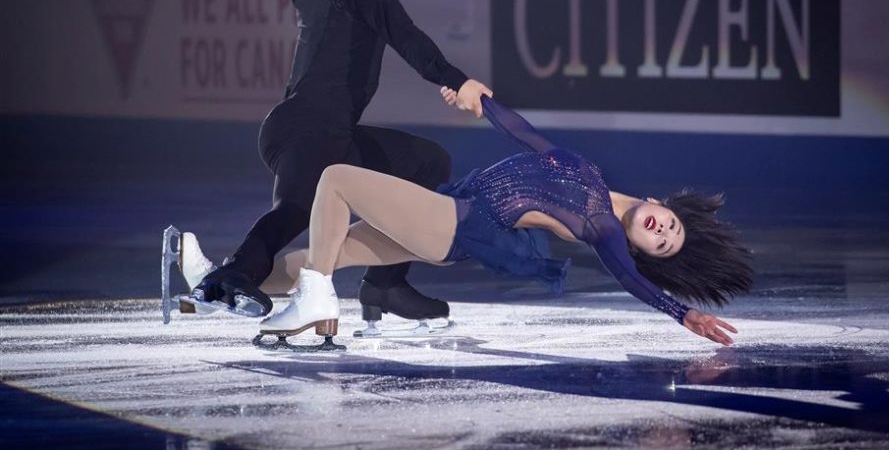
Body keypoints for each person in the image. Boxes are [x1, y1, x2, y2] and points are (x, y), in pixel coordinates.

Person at [190, 0, 493, 323]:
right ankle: (228, 278)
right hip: (308, 127)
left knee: (425, 163)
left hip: (325, 131)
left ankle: (384, 286)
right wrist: (458, 80)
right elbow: (408, 40)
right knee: (294, 209)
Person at [256, 93, 754, 348]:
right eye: (672, 226)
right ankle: (218, 286)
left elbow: (628, 280)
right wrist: (481, 100)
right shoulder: (592, 175)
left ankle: (314, 305)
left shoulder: (602, 228)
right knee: (317, 257)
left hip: (451, 222)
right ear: (660, 203)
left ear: (646, 254)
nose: (663, 233)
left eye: (663, 246)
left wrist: (680, 313)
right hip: (450, 217)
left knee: (339, 179)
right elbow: (529, 136)